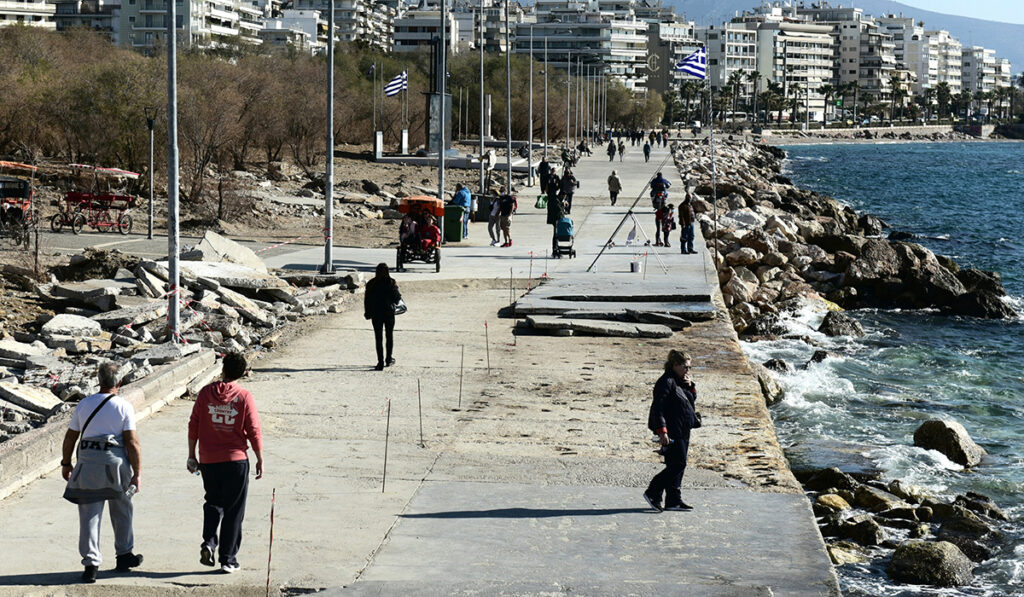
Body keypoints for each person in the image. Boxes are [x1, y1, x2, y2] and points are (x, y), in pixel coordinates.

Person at [61, 362, 143, 583]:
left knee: (89, 515)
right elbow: (132, 442)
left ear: (99, 380)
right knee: (122, 510)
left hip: (88, 464)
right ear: (120, 382)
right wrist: (137, 472)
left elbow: (71, 437)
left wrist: (66, 463)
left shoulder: (84, 405)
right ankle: (124, 555)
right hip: (116, 464)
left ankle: (91, 565)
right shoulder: (124, 406)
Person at [187, 352, 263, 574]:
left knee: (213, 502)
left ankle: (209, 542)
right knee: (234, 510)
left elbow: (193, 424)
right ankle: (228, 559)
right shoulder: (244, 396)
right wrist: (259, 457)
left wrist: (192, 455)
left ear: (223, 369)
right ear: (242, 373)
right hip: (236, 460)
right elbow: (253, 430)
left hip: (208, 460)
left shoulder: (205, 393)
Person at [644, 350, 698, 512]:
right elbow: (657, 408)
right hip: (672, 430)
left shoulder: (678, 380)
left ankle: (673, 500)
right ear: (675, 365)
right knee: (678, 464)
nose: (688, 370)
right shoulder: (666, 381)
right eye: (685, 367)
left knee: (677, 465)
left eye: (690, 367)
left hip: (683, 428)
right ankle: (653, 491)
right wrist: (662, 431)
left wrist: (691, 386)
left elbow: (689, 401)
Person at [364, 263, 402, 370]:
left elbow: (367, 300)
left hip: (376, 313)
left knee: (378, 338)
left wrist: (367, 312)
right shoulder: (391, 282)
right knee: (389, 336)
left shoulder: (371, 283)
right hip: (388, 313)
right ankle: (388, 359)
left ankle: (380, 362)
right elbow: (397, 298)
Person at [546, 187, 566, 254]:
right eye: (563, 197)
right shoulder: (556, 201)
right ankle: (554, 249)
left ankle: (556, 247)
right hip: (556, 220)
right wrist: (563, 205)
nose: (564, 198)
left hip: (557, 220)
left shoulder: (557, 200)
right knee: (555, 235)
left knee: (557, 235)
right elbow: (559, 211)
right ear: (561, 195)